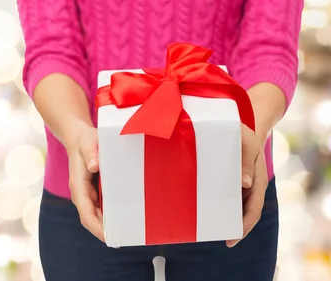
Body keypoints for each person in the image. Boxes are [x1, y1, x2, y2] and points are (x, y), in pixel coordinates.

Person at [16, 1, 303, 280]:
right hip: (90, 191)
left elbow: (271, 46)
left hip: (230, 184)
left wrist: (253, 130)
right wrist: (74, 130)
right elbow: (51, 47)